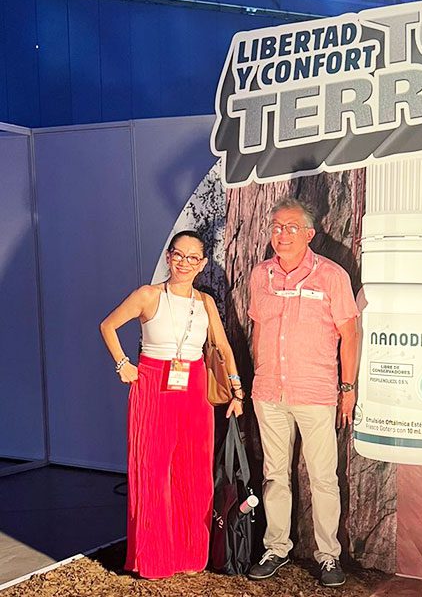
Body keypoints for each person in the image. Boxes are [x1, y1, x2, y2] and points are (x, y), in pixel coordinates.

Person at [99, 230, 244, 579]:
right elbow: (108, 325)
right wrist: (122, 364)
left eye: (193, 258)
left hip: (195, 387)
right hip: (153, 384)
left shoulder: (205, 302)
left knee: (193, 471)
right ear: (168, 257)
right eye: (179, 255)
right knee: (152, 471)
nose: (184, 263)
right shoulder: (148, 295)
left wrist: (237, 391)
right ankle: (154, 558)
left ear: (202, 264)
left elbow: (223, 348)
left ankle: (190, 554)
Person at [246, 197, 359, 588]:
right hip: (269, 392)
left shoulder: (331, 275)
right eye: (277, 226)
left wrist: (348, 388)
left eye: (292, 227)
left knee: (324, 478)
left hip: (316, 392)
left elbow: (350, 334)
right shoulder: (261, 275)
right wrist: (259, 374)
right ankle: (275, 548)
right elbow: (258, 329)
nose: (283, 234)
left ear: (309, 234)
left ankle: (328, 556)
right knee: (274, 475)